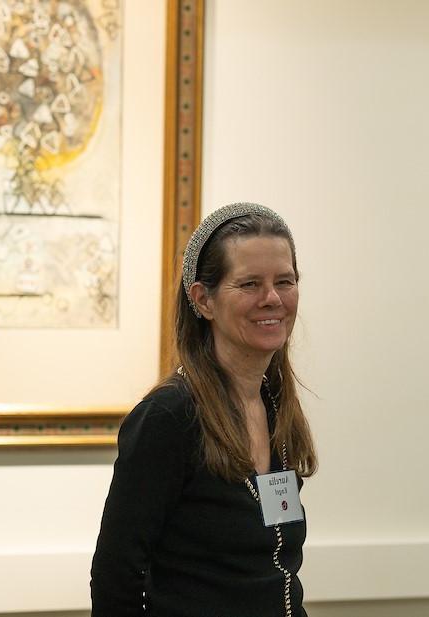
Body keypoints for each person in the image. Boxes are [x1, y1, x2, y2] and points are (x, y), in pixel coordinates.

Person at [91, 203, 317, 617]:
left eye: (284, 281)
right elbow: (115, 578)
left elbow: (274, 570)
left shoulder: (275, 406)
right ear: (203, 300)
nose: (272, 298)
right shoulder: (169, 417)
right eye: (249, 284)